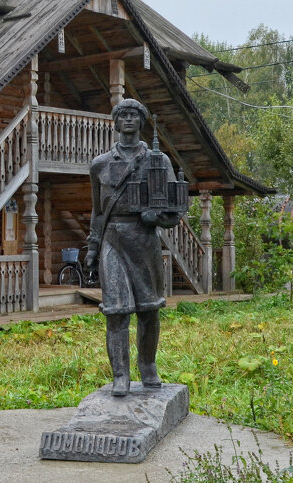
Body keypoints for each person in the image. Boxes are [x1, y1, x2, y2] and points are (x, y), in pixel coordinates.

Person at [85, 98, 183, 397]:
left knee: (149, 310)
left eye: (134, 114)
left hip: (144, 240)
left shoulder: (159, 160)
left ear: (142, 121)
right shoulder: (100, 164)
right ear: (115, 122)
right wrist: (92, 246)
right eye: (122, 114)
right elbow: (97, 210)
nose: (128, 119)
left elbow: (174, 209)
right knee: (116, 312)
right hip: (113, 239)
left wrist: (159, 219)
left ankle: (148, 366)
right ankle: (120, 375)